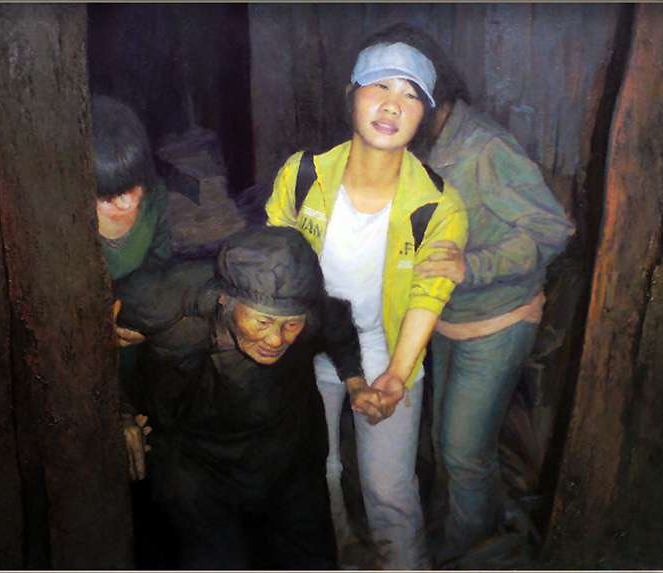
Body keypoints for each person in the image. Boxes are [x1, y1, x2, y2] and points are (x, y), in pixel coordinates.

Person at [265, 31, 469, 570]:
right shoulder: (304, 174)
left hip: (386, 353)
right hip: (303, 347)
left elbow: (429, 292)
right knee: (315, 475)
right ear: (351, 93)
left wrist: (396, 377)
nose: (392, 105)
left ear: (424, 115)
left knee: (389, 491)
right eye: (380, 86)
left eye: (411, 95)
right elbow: (271, 263)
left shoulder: (438, 204)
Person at [381, 22, 576, 567]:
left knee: (463, 450)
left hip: (499, 317)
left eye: (406, 93)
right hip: (446, 316)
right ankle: (477, 532)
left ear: (433, 91)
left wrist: (474, 265)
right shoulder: (419, 144)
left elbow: (553, 229)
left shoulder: (485, 148)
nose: (392, 107)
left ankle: (470, 551)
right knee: (447, 444)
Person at [113, 226, 374, 569]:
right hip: (194, 457)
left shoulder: (310, 311)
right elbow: (84, 338)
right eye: (262, 322)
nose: (276, 340)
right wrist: (119, 412)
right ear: (226, 300)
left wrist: (355, 380)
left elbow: (338, 328)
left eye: (290, 325)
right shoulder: (162, 303)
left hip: (287, 450)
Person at [90, 94, 172, 476]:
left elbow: (161, 264)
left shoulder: (155, 202)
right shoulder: (68, 222)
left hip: (138, 337)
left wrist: (141, 315)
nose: (125, 203)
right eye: (108, 196)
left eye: (133, 186)